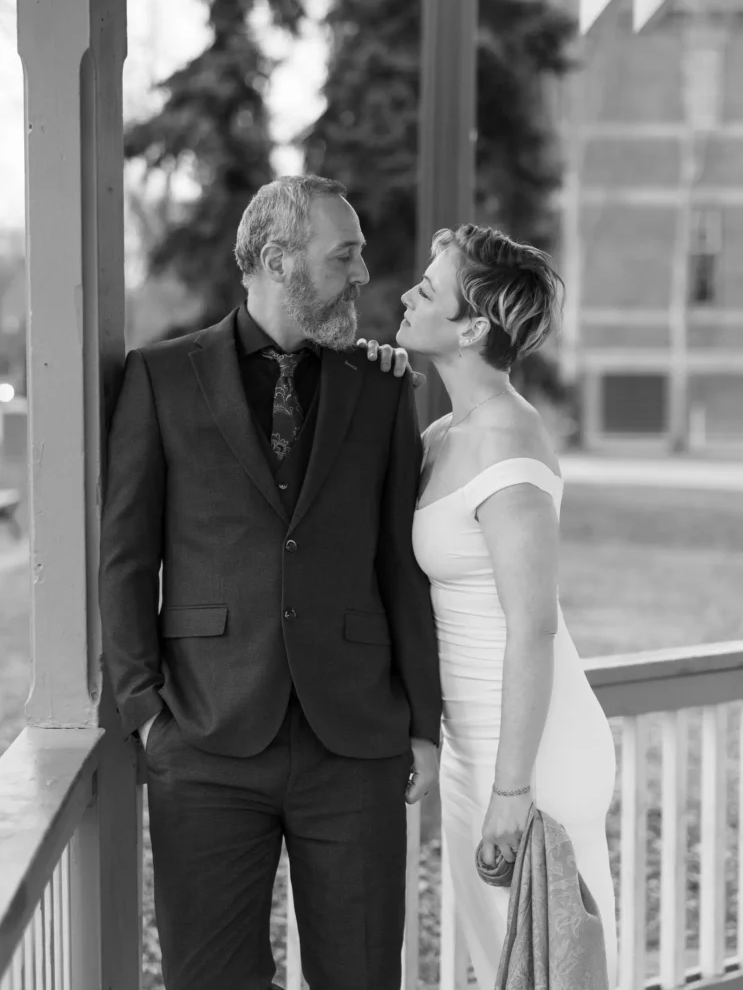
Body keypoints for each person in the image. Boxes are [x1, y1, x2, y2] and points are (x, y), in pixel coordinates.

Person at [98, 174, 442, 990]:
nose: (362, 274)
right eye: (344, 255)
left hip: (353, 742)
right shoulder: (161, 377)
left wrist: (421, 723)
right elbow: (124, 556)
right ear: (279, 259)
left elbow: (400, 562)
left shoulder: (381, 384)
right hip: (205, 740)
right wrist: (146, 711)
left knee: (360, 976)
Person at [364, 223, 617, 987]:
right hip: (477, 747)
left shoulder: (508, 443)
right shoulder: (444, 433)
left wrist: (513, 792)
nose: (407, 294)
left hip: (531, 760)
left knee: (552, 968)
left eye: (428, 289)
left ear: (474, 325)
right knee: (503, 965)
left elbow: (533, 627)